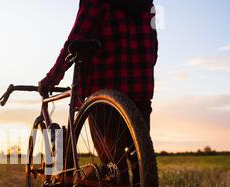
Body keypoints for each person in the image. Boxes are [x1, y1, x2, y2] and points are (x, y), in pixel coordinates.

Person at [38, 0, 158, 130]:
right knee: (138, 149)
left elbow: (75, 40)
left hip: (105, 90)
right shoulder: (148, 5)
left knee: (109, 149)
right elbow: (154, 48)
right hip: (141, 91)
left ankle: (61, 145)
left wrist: (51, 77)